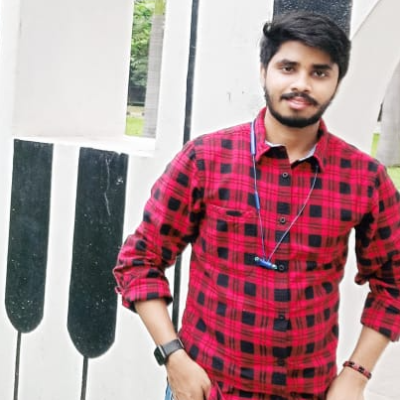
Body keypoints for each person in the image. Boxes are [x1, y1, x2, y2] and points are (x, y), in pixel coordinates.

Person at [113, 11, 400, 400]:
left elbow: (393, 283)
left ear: (336, 82)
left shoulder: (364, 178)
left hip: (308, 391)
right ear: (264, 71)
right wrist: (173, 357)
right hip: (207, 390)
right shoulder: (206, 159)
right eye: (288, 67)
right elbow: (139, 261)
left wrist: (356, 375)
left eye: (319, 72)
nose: (301, 84)